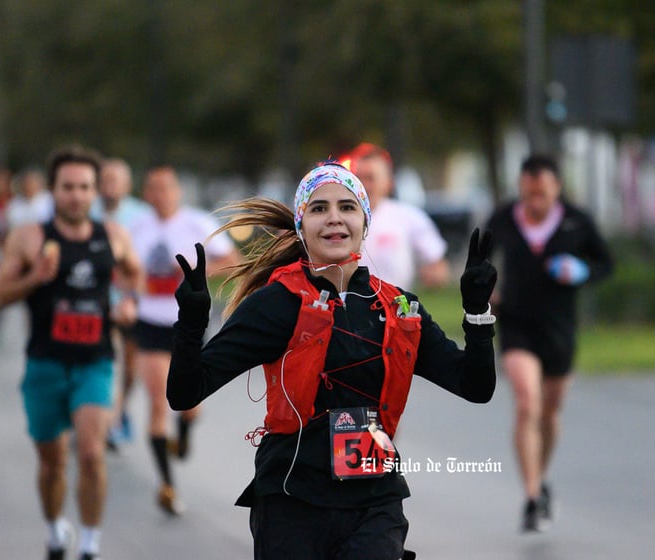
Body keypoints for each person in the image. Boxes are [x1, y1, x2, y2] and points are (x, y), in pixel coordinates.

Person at [166, 161, 498, 559]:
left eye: (347, 207)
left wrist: (478, 313)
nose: (334, 218)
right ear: (302, 225)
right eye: (319, 208)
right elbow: (185, 392)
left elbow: (475, 387)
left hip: (375, 500)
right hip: (292, 499)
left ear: (365, 222)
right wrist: (191, 323)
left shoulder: (398, 307)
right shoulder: (277, 303)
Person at [0, 145, 141, 560]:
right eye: (68, 187)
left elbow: (133, 275)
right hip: (45, 363)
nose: (76, 195)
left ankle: (90, 544)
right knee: (52, 462)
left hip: (95, 361)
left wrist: (129, 303)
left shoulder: (113, 235)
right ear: (53, 190)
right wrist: (34, 279)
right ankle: (56, 530)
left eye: (84, 187)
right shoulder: (30, 237)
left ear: (95, 191)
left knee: (92, 454)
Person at [485, 154, 614, 533]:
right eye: (527, 194)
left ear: (556, 188)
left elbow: (607, 263)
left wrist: (583, 270)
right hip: (516, 325)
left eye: (541, 193)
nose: (534, 202)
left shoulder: (577, 221)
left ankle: (539, 480)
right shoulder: (505, 217)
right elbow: (482, 258)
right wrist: (486, 285)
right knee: (527, 402)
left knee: (550, 413)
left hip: (559, 328)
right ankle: (530, 496)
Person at [129, 164, 240, 515]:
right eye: (153, 189)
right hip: (149, 322)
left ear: (177, 192)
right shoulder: (136, 228)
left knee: (191, 407)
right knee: (158, 401)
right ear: (146, 194)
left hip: (188, 325)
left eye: (166, 188)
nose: (160, 195)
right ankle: (167, 486)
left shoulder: (197, 224)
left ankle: (186, 431)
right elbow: (122, 271)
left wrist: (195, 274)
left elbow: (232, 261)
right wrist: (127, 292)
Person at [92, 158, 152, 448]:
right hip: (96, 303)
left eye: (115, 180)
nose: (109, 186)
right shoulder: (87, 213)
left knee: (129, 369)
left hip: (133, 302)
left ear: (127, 185)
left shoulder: (141, 215)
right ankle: (108, 420)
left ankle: (119, 408)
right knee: (106, 361)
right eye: (105, 179)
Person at [346, 142, 450, 291]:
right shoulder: (338, 220)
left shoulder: (408, 217)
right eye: (358, 178)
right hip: (349, 308)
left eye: (370, 178)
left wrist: (434, 274)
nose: (364, 185)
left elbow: (438, 266)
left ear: (388, 183)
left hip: (395, 308)